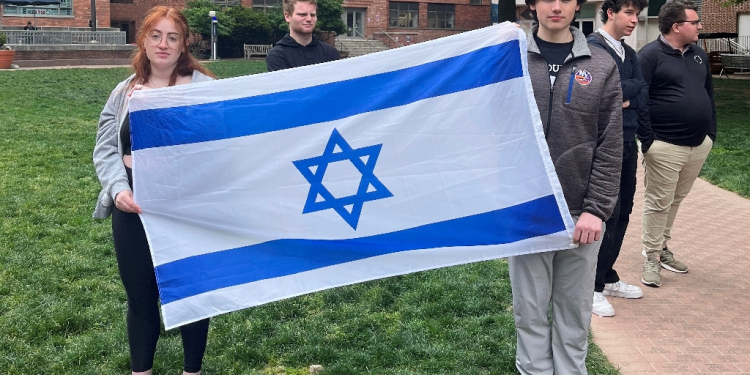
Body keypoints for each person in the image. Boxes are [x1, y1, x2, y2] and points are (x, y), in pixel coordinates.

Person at [93, 6, 216, 375]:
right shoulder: (124, 91)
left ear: (184, 44)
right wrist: (117, 190)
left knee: (191, 292)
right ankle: (140, 371)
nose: (164, 44)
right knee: (141, 296)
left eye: (173, 37)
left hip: (186, 204)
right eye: (156, 35)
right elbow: (105, 147)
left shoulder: (204, 89)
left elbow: (221, 147)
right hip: (133, 203)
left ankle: (191, 370)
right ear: (143, 41)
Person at [507, 0, 622, 372]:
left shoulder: (602, 64)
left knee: (573, 314)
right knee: (530, 311)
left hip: (581, 215)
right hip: (528, 212)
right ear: (532, 5)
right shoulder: (508, 59)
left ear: (577, 5)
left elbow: (610, 143)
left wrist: (596, 209)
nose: (556, 6)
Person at [637, 0, 715, 287]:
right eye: (695, 22)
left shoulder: (698, 55)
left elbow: (708, 95)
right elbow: (639, 102)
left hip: (698, 144)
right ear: (676, 26)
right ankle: (651, 257)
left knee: (675, 200)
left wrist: (711, 134)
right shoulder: (649, 56)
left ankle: (662, 246)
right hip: (664, 146)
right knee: (658, 202)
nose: (700, 26)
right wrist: (648, 142)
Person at [586, 0, 648, 317]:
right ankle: (591, 287)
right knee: (605, 216)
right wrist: (623, 93)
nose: (635, 19)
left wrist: (627, 93)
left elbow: (641, 90)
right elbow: (597, 94)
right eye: (629, 13)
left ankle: (607, 276)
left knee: (623, 213)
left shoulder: (631, 54)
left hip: (628, 142)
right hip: (603, 145)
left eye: (637, 14)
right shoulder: (592, 49)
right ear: (611, 12)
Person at [266, 0, 339, 72]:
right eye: (302, 15)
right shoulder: (277, 56)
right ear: (287, 16)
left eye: (312, 15)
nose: (309, 19)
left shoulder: (330, 53)